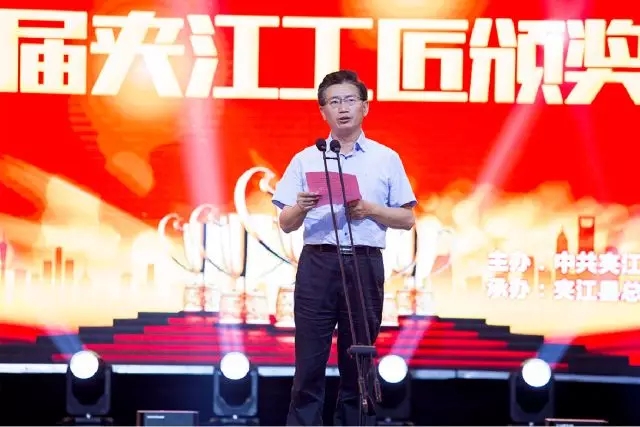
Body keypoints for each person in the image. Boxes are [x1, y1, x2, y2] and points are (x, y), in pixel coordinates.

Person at [272, 70, 417, 426]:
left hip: (364, 264)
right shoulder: (306, 159)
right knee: (309, 362)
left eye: (350, 100)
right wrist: (301, 206)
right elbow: (286, 222)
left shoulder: (386, 158)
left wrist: (370, 209)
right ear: (323, 112)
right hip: (318, 264)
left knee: (359, 361)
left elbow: (406, 219)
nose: (343, 108)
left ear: (365, 107)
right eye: (334, 102)